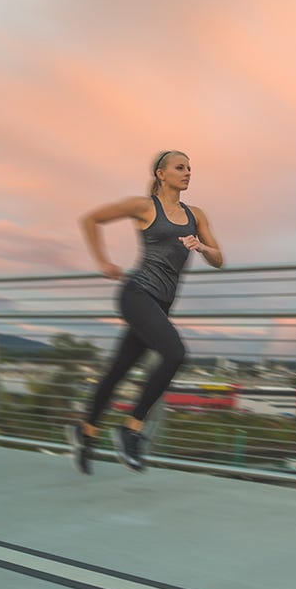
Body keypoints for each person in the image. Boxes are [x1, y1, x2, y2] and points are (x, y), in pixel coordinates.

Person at [67, 150, 224, 474]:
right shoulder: (144, 206)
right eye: (180, 167)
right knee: (175, 353)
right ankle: (131, 429)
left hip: (161, 305)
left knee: (118, 371)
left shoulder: (196, 215)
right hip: (137, 295)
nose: (187, 173)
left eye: (190, 168)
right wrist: (103, 262)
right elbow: (90, 219)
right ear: (161, 173)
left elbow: (219, 258)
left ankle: (85, 431)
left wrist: (202, 247)